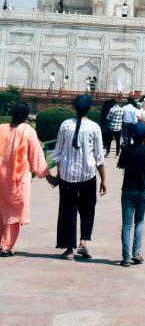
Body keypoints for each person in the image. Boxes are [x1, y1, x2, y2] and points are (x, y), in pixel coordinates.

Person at [51, 94, 106, 260]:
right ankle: (83, 242)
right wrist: (104, 179)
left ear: (75, 108)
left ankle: (69, 248)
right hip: (88, 175)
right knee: (87, 210)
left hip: (67, 176)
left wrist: (59, 174)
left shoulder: (65, 125)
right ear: (89, 108)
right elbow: (98, 157)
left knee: (67, 210)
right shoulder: (94, 127)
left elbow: (58, 153)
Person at [0, 103, 55, 255]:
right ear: (26, 116)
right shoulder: (28, 131)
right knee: (14, 213)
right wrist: (48, 176)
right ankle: (6, 247)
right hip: (19, 180)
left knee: (2, 211)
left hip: (1, 178)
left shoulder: (2, 128)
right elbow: (36, 155)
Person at [117, 121, 145, 266]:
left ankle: (126, 258)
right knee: (140, 221)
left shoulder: (126, 149)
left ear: (131, 135)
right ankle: (136, 253)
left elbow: (120, 165)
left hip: (128, 189)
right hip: (142, 189)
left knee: (126, 224)